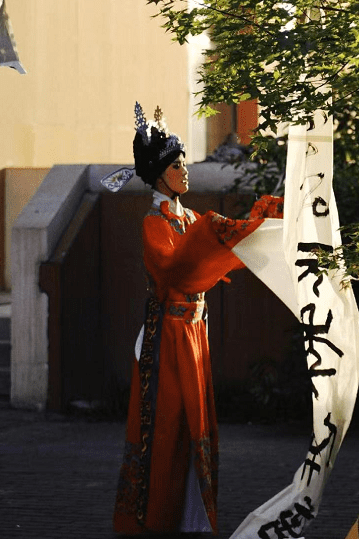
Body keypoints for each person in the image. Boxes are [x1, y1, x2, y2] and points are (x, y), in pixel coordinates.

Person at [113, 104, 282, 536]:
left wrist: (251, 231)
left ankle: (192, 519)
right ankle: (157, 520)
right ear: (159, 174)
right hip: (168, 337)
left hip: (193, 332)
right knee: (168, 428)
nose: (185, 171)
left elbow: (206, 256)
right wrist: (214, 240)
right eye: (177, 164)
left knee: (196, 426)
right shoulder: (157, 223)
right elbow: (178, 271)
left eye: (185, 162)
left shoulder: (186, 218)